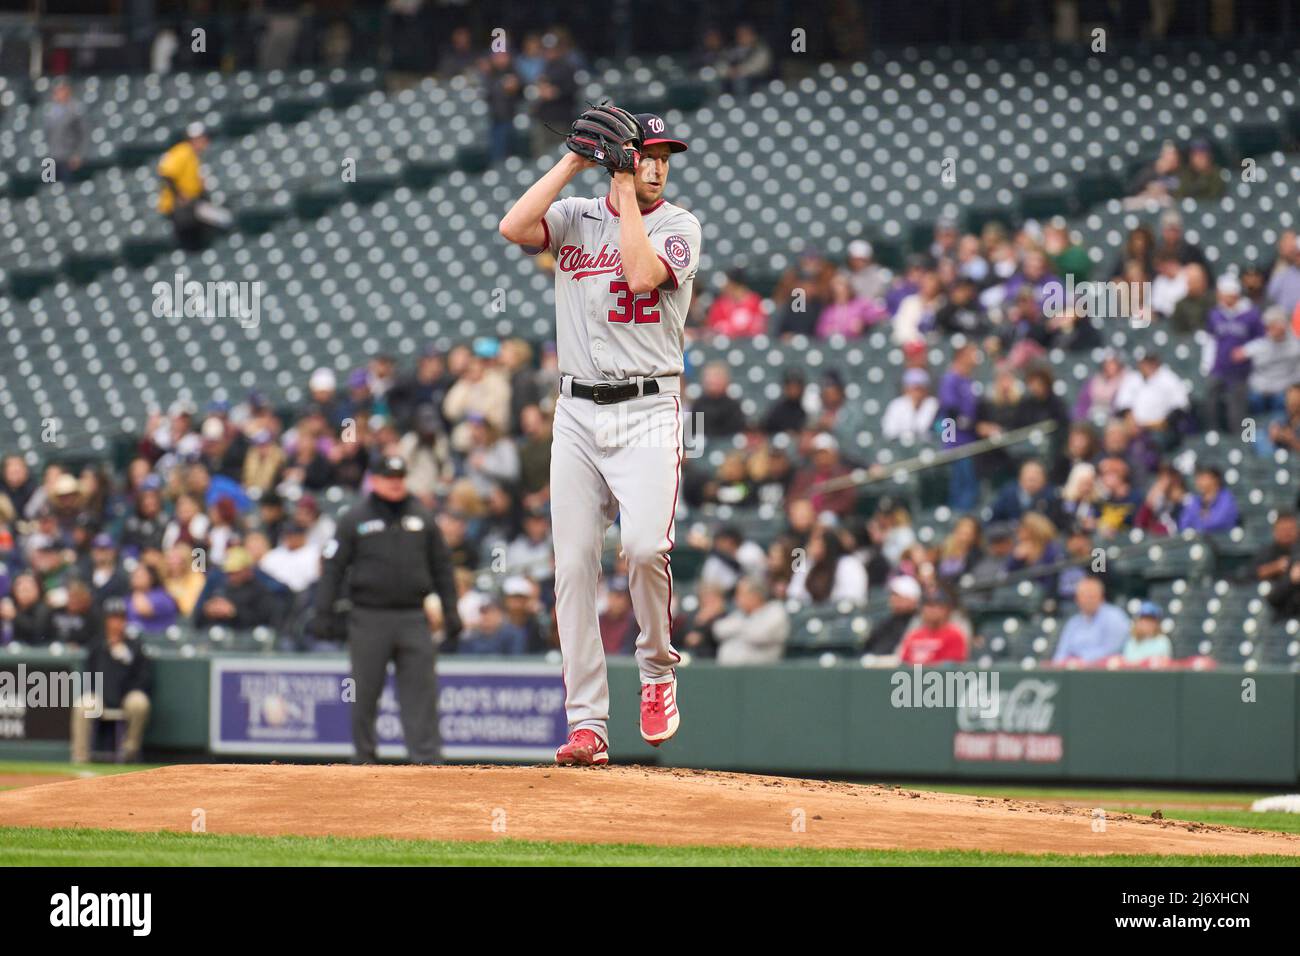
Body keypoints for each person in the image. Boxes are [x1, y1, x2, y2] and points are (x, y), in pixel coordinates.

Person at [499, 107, 700, 764]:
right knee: (574, 568)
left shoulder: (678, 225)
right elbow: (513, 226)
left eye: (664, 154)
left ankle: (656, 670)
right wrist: (574, 163)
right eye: (646, 152)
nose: (658, 163)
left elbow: (641, 274)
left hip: (648, 407)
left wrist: (621, 192)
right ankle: (587, 724)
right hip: (576, 413)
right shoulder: (578, 213)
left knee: (644, 549)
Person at [313, 456, 462, 764]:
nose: (395, 482)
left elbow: (443, 568)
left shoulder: (422, 517)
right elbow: (333, 567)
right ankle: (364, 758)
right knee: (364, 692)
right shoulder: (354, 517)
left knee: (420, 693)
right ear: (375, 479)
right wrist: (323, 611)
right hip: (369, 616)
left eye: (399, 476)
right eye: (388, 476)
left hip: (413, 616)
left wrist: (451, 611)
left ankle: (426, 760)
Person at [70, 598, 152, 764]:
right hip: (101, 697)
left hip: (127, 696)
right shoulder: (96, 645)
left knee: (139, 702)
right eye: (112, 618)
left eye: (120, 618)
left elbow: (144, 680)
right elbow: (89, 677)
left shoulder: (135, 646)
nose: (116, 623)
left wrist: (124, 661)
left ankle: (129, 751)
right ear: (105, 621)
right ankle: (80, 757)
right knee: (83, 705)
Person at [157, 122, 230, 250]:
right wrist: (179, 196)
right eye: (201, 138)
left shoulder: (193, 155)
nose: (204, 141)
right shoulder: (183, 151)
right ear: (193, 140)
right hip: (180, 207)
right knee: (222, 220)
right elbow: (166, 174)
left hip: (191, 205)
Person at [711, 578, 790, 665]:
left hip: (764, 670)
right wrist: (745, 627)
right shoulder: (741, 614)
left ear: (755, 595)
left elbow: (759, 635)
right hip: (730, 672)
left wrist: (737, 630)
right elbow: (718, 630)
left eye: (740, 594)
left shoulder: (775, 610)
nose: (736, 599)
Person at [1052, 577, 1130, 664]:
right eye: (1084, 596)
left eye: (1091, 596)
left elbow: (1112, 650)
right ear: (1077, 599)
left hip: (1104, 672)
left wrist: (1081, 661)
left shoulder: (1115, 617)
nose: (1088, 600)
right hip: (1073, 671)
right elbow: (1061, 653)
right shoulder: (1073, 622)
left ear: (1102, 597)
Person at [897, 589, 968, 665]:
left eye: (936, 605)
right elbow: (904, 664)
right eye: (928, 606)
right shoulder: (914, 635)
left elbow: (950, 668)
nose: (931, 610)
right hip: (910, 676)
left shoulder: (954, 635)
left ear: (946, 609)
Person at [863, 575, 921, 655]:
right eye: (892, 595)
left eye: (897, 595)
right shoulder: (888, 621)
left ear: (912, 599)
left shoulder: (919, 623)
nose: (893, 599)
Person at [44, 81, 87, 180]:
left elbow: (83, 135)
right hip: (52, 156)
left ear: (68, 92)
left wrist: (78, 155)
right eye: (56, 91)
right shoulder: (51, 110)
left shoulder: (75, 109)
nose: (58, 94)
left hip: (68, 157)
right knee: (50, 185)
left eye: (61, 91)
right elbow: (47, 133)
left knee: (67, 187)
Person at [881, 369, 939, 442]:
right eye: (913, 388)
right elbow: (889, 431)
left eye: (920, 388)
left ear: (926, 389)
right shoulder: (896, 405)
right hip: (899, 448)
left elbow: (935, 430)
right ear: (906, 388)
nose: (916, 392)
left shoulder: (934, 404)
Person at [1178, 466, 1239, 533]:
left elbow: (1218, 523)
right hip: (1199, 542)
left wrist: (1201, 521)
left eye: (1203, 477)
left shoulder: (1227, 498)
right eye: (1197, 477)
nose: (1198, 481)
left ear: (1215, 479)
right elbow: (1183, 525)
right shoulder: (1195, 501)